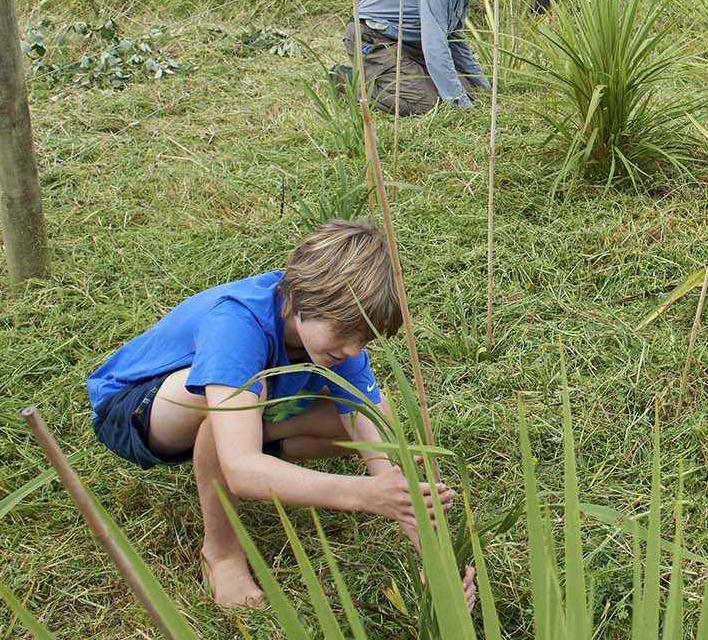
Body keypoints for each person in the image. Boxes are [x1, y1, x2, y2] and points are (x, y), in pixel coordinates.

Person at [86, 220, 476, 609]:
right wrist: (363, 495)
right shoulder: (237, 323)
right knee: (231, 403)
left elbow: (380, 447)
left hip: (251, 408)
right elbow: (240, 470)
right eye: (346, 332)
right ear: (301, 298)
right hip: (135, 410)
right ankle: (222, 554)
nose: (355, 351)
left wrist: (430, 549)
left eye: (366, 338)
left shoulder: (335, 337)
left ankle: (254, 440)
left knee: (371, 419)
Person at [332, 0, 523, 115]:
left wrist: (481, 85)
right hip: (375, 38)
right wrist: (459, 105)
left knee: (468, 92)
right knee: (428, 104)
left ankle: (407, 76)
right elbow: (435, 43)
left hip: (410, 43)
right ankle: (349, 81)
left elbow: (454, 36)